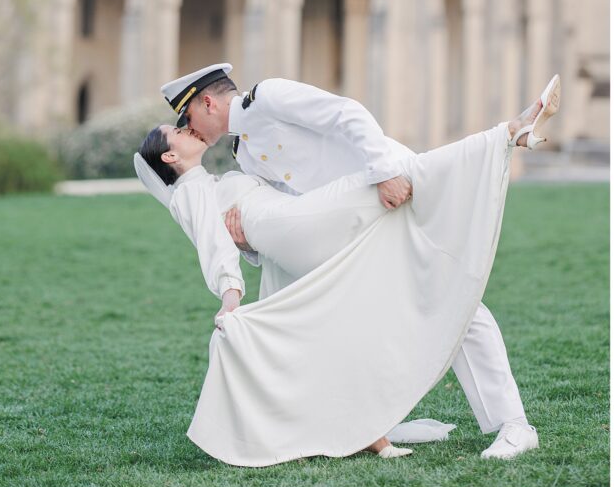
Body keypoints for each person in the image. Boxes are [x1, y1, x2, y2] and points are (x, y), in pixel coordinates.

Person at [133, 69, 560, 466]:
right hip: (349, 227)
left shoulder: (269, 98)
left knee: (458, 296)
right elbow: (282, 211)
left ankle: (513, 425)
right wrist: (248, 243)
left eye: (187, 116)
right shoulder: (242, 152)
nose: (190, 128)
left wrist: (385, 171)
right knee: (436, 300)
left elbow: (346, 114)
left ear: (207, 103)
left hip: (387, 191)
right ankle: (366, 422)